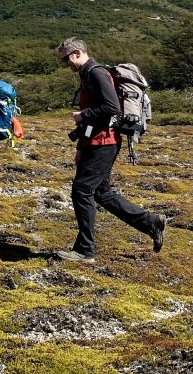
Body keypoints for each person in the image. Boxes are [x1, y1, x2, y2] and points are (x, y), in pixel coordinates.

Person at [54, 38, 166, 262]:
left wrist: (82, 115)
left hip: (104, 144)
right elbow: (94, 119)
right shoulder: (87, 75)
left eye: (66, 58)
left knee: (82, 191)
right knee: (101, 193)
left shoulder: (95, 73)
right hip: (95, 143)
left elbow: (111, 107)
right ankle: (151, 222)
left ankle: (85, 251)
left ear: (77, 53)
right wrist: (80, 147)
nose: (66, 63)